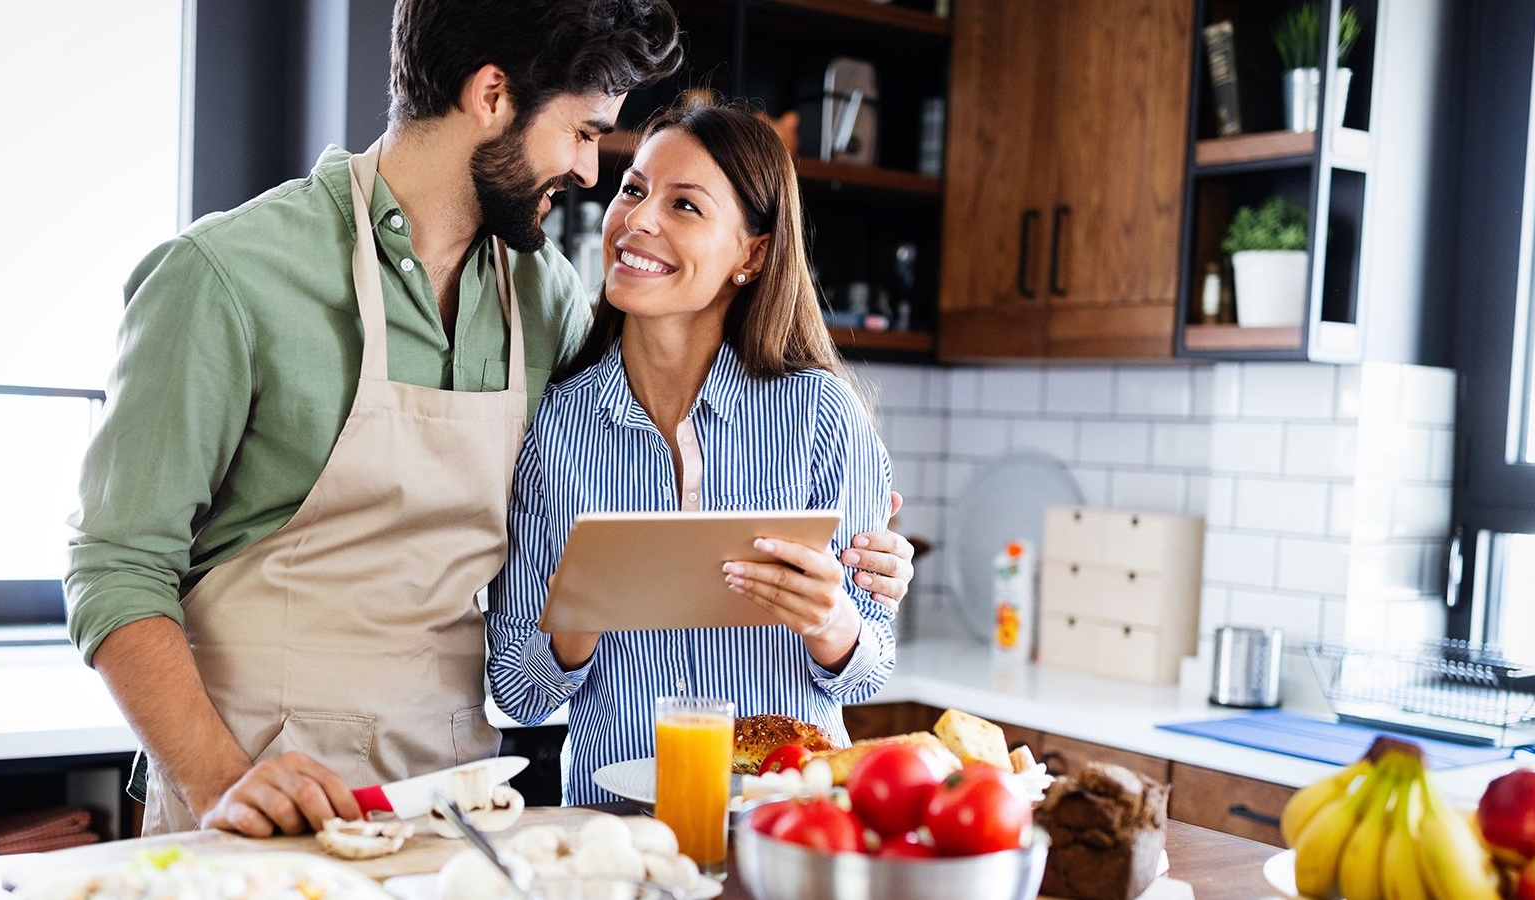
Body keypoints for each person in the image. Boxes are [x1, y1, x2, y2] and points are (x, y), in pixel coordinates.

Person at [64, 0, 918, 837]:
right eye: (585, 134)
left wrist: (867, 576)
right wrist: (223, 784)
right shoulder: (224, 277)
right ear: (493, 95)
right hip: (258, 785)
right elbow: (115, 566)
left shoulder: (543, 300)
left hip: (451, 797)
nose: (591, 174)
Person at [487, 100, 895, 805]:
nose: (639, 219)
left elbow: (869, 670)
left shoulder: (821, 420)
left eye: (686, 206)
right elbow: (517, 692)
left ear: (753, 253)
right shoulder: (556, 429)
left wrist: (832, 622)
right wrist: (579, 617)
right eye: (634, 190)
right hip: (617, 831)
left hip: (783, 827)